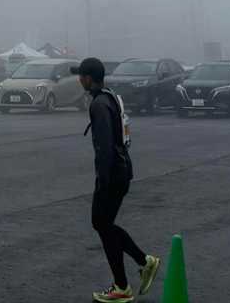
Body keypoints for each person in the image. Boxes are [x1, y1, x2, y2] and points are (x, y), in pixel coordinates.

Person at [72, 57, 160, 302]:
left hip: (113, 174)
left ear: (88, 78)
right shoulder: (109, 97)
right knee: (104, 224)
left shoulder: (99, 104)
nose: (79, 80)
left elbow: (105, 147)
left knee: (101, 223)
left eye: (81, 76)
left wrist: (103, 180)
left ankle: (137, 269)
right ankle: (127, 279)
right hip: (121, 171)